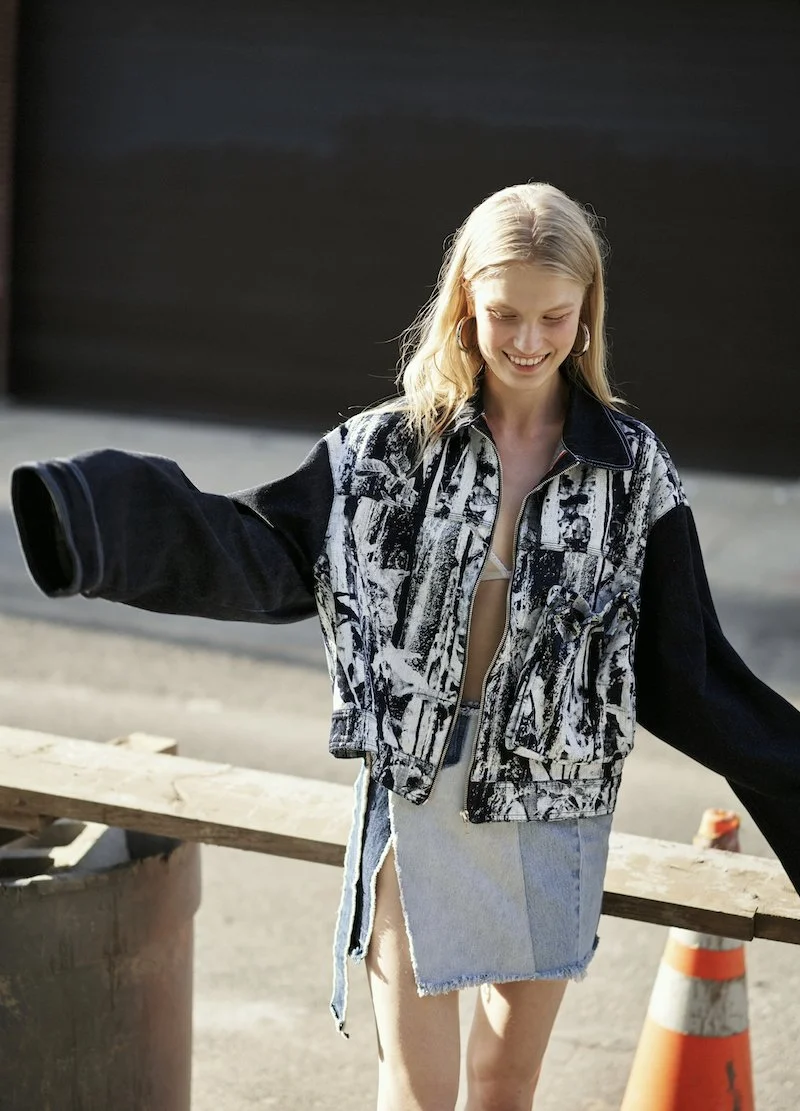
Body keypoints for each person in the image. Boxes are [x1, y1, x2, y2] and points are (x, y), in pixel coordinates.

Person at [10, 181, 800, 1111]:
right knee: (417, 1093)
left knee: (504, 1088)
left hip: (552, 800)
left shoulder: (632, 473)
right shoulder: (387, 452)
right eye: (504, 313)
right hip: (417, 790)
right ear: (465, 299)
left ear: (588, 310)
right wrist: (87, 518)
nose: (528, 340)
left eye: (554, 316)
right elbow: (260, 551)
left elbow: (692, 674)